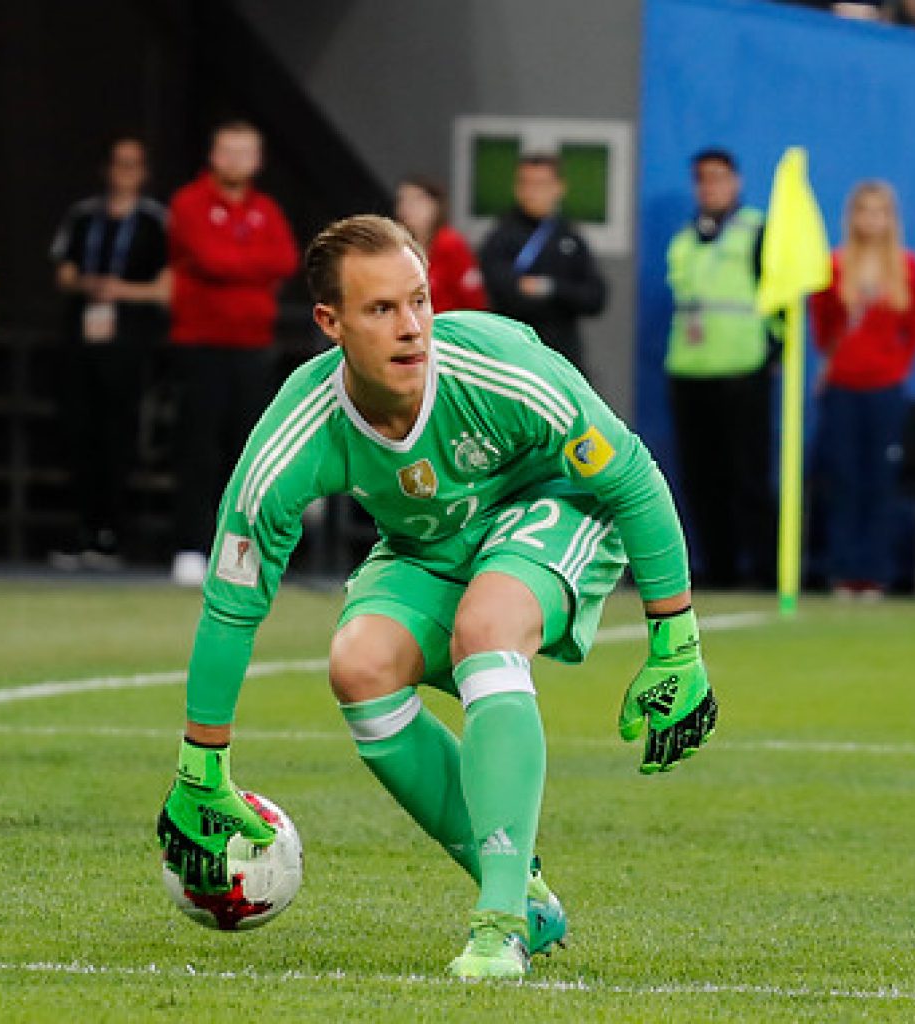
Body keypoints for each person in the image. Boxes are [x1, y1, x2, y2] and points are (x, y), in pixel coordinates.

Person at [156, 214, 717, 980]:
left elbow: (631, 478)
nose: (412, 326)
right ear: (330, 323)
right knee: (358, 666)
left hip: (553, 505)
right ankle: (532, 895)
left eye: (418, 301)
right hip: (428, 542)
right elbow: (232, 602)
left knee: (486, 628)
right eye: (381, 309)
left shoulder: (498, 365)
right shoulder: (296, 433)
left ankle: (502, 924)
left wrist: (674, 640)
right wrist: (201, 767)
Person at [167, 120, 300, 586]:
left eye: (247, 152)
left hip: (253, 347)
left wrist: (237, 263)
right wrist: (250, 265)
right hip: (201, 344)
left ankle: (239, 553)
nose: (238, 161)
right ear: (214, 155)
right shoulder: (189, 203)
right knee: (197, 449)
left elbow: (285, 259)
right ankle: (190, 546)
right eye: (230, 151)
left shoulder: (266, 209)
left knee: (247, 456)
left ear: (258, 160)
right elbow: (209, 258)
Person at [50, 137, 169, 569]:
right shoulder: (83, 216)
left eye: (132, 164)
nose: (124, 171)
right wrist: (88, 284)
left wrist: (119, 290)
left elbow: (167, 286)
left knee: (119, 434)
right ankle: (83, 528)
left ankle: (113, 533)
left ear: (144, 171)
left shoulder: (156, 222)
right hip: (83, 338)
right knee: (78, 430)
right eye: (118, 163)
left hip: (129, 338)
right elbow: (63, 272)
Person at [665, 147, 778, 591]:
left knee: (748, 477)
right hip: (690, 370)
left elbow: (780, 300)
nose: (709, 187)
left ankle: (764, 572)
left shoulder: (757, 232)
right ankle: (719, 569)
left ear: (736, 182)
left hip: (742, 369)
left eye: (718, 178)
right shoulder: (686, 238)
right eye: (702, 179)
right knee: (700, 480)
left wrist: (774, 352)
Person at [809, 181, 915, 598]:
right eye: (864, 211)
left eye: (880, 212)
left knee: (881, 479)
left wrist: (894, 368)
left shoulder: (907, 267)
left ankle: (875, 571)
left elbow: (914, 330)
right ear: (853, 216)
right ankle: (843, 570)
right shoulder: (836, 266)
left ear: (890, 219)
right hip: (843, 387)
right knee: (844, 479)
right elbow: (821, 324)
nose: (871, 220)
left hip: (886, 390)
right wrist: (841, 360)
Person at [478, 153, 606, 375]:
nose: (532, 192)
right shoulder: (502, 235)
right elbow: (499, 286)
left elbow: (595, 297)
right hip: (511, 354)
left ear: (559, 188)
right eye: (525, 183)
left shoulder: (570, 236)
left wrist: (549, 288)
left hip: (561, 357)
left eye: (540, 184)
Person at [395, 175, 488, 313]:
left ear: (435, 205)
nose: (407, 207)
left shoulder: (451, 244)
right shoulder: (397, 246)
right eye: (403, 200)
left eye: (417, 200)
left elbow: (474, 300)